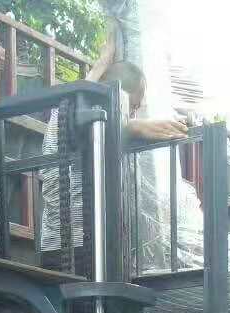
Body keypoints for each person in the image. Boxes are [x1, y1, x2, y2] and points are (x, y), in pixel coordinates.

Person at [40, 43, 188, 265]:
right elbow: (93, 122)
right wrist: (133, 127)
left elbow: (88, 87)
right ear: (119, 96)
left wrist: (102, 62)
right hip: (80, 249)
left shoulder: (66, 110)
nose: (133, 114)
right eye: (133, 107)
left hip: (57, 246)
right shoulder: (79, 118)